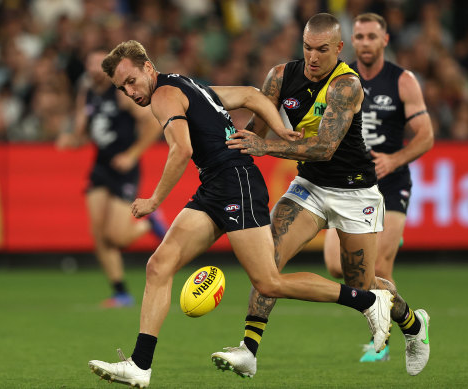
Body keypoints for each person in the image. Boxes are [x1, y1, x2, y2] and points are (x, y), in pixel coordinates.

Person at [87, 40, 393, 389]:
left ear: (147, 67)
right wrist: (279, 128)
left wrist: (155, 200)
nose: (129, 91)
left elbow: (182, 149)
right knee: (159, 266)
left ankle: (368, 300)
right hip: (215, 187)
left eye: (131, 81)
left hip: (235, 184)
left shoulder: (162, 95)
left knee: (268, 282)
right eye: (121, 88)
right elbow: (249, 94)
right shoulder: (185, 84)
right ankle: (140, 366)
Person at [213, 13, 430, 377]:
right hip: (309, 189)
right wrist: (224, 153)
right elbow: (256, 128)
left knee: (361, 284)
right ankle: (248, 350)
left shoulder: (347, 85)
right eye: (307, 48)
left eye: (322, 50)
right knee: (267, 261)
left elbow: (325, 147)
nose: (313, 57)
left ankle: (413, 325)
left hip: (355, 191)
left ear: (339, 48)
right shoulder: (281, 76)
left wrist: (265, 147)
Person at [323, 12, 434, 363]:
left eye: (372, 36)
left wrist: (394, 160)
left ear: (385, 40)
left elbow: (426, 137)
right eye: (360, 37)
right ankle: (407, 323)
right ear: (351, 41)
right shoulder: (340, 78)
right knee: (337, 268)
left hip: (389, 183)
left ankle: (385, 342)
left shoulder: (402, 81)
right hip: (348, 184)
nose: (365, 43)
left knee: (379, 267)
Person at [56, 49, 167, 308]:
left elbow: (153, 124)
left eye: (99, 64)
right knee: (98, 234)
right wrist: (71, 140)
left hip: (124, 168)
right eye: (91, 64)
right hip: (101, 166)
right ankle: (121, 292)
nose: (95, 69)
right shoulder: (87, 94)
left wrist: (132, 154)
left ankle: (149, 223)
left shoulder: (121, 94)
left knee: (117, 237)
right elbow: (83, 132)